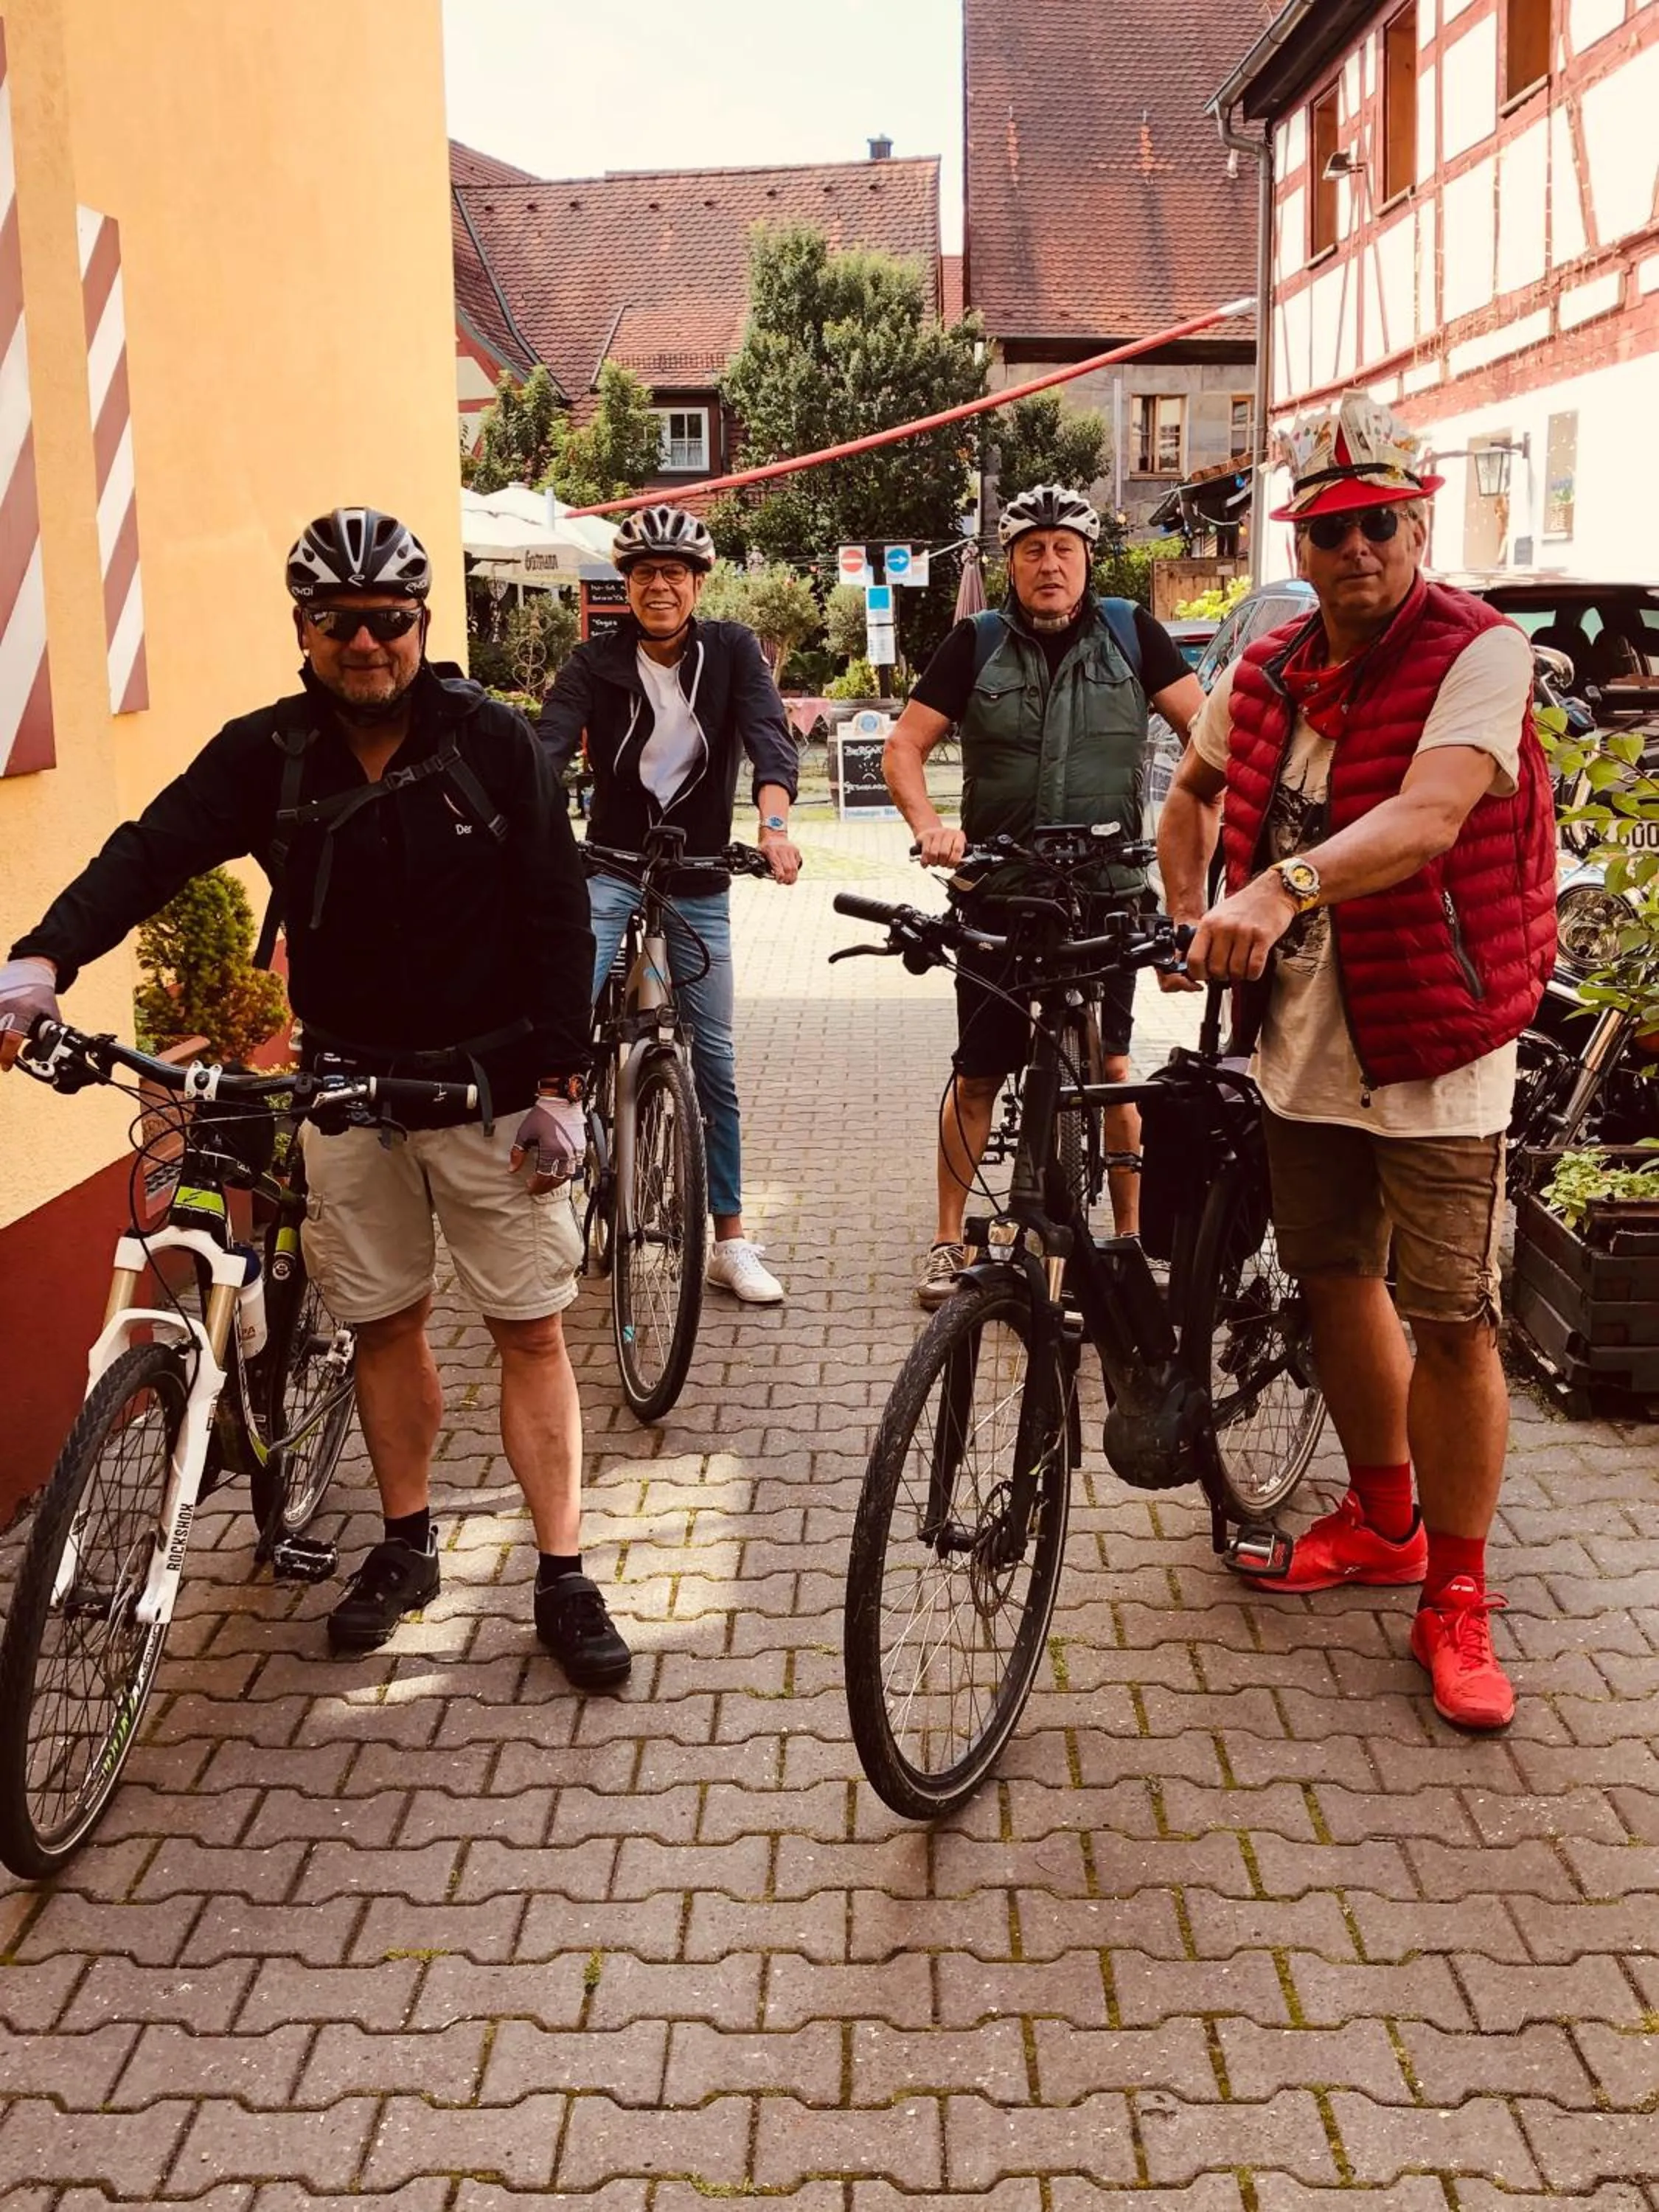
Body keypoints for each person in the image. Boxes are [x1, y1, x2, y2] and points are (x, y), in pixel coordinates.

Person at [0, 507, 631, 1686]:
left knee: (529, 1328)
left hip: (492, 1095)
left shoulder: (493, 743)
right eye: (337, 622)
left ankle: (562, 1569)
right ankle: (406, 1543)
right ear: (303, 628)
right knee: (385, 1323)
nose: (364, 643)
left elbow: (557, 909)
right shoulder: (268, 752)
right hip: (346, 1092)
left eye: (387, 621)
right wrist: (44, 958)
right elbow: (150, 851)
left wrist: (562, 1083)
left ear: (420, 624)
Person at [1157, 393, 1556, 1732]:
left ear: (1420, 522)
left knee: (1449, 1315)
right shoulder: (1266, 667)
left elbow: (1434, 815)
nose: (1361, 551)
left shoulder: (1479, 655)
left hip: (1436, 1040)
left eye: (1382, 524)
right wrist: (1186, 919)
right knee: (1335, 1277)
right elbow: (1189, 796)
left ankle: (1456, 1592)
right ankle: (1385, 1518)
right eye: (1333, 532)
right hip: (1303, 1047)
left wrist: (1276, 886)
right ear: (1303, 547)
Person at [883, 483, 1206, 1308]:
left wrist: (1187, 891)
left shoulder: (1134, 632)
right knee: (980, 1073)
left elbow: (1211, 745)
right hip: (1000, 890)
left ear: (1089, 560)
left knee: (1113, 1067)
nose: (1050, 564)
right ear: (1011, 564)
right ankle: (948, 1240)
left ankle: (1129, 1243)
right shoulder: (976, 642)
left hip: (1108, 891)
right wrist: (930, 828)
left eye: (1065, 549)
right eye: (1033, 550)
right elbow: (904, 749)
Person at [538, 504, 801, 1306]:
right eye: (646, 573)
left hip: (698, 874)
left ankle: (729, 1238)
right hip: (611, 862)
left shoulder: (730, 652)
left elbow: (769, 737)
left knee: (713, 1058)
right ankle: (555, 1150)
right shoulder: (595, 662)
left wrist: (776, 825)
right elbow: (546, 747)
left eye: (675, 574)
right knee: (565, 1001)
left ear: (697, 584)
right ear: (626, 585)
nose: (661, 586)